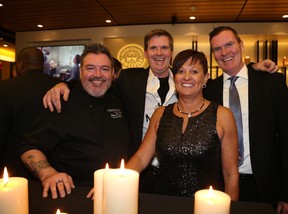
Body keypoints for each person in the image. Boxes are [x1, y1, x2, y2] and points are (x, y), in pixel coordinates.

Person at [42, 29, 278, 193]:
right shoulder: (136, 86)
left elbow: (229, 172)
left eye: (164, 47)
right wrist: (67, 84)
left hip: (206, 189)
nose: (158, 52)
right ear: (145, 53)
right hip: (150, 182)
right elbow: (97, 81)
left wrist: (252, 70)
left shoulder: (216, 106)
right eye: (153, 48)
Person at [124, 49, 239, 200]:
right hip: (164, 203)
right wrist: (114, 181)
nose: (186, 77)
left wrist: (231, 210)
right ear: (174, 77)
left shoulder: (223, 116)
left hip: (207, 206)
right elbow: (140, 158)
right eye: (180, 71)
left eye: (194, 71)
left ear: (205, 78)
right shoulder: (160, 114)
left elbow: (230, 174)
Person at [19, 44, 130, 199]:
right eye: (90, 68)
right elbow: (29, 147)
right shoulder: (60, 101)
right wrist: (47, 173)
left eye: (104, 69)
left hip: (118, 192)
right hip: (73, 193)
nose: (98, 74)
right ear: (81, 71)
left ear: (113, 73)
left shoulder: (120, 100)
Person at [204, 26, 288, 214]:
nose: (224, 52)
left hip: (265, 186)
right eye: (217, 49)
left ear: (241, 45)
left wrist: (286, 192)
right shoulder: (209, 90)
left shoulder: (272, 83)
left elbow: (286, 139)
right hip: (220, 186)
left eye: (229, 44)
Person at [0, 47, 61, 177]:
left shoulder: (4, 89)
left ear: (20, 64)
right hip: (51, 168)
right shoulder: (59, 88)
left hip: (12, 168)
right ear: (43, 65)